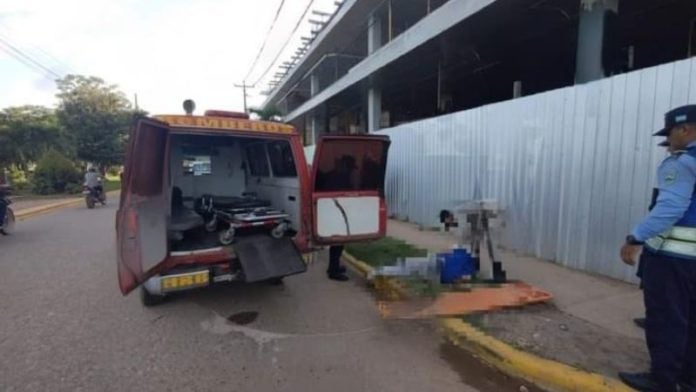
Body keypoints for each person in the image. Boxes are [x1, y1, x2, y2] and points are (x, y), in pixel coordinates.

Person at [619, 105, 696, 392]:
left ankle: (661, 380)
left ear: (684, 129)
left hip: (673, 258)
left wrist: (635, 237)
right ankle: (687, 380)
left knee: (667, 320)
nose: (669, 141)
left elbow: (670, 208)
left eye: (671, 133)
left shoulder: (682, 162)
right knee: (691, 322)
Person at [634, 139, 681, 330]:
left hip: (668, 249)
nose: (669, 149)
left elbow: (668, 212)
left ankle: (659, 321)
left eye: (670, 145)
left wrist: (636, 237)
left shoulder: (681, 170)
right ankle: (654, 317)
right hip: (659, 244)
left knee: (669, 299)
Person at [324, 155, 359, 282]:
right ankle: (333, 271)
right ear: (344, 166)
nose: (351, 171)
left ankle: (334, 267)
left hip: (337, 213)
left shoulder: (336, 175)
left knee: (338, 243)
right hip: (336, 213)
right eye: (349, 168)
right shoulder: (338, 177)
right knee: (337, 243)